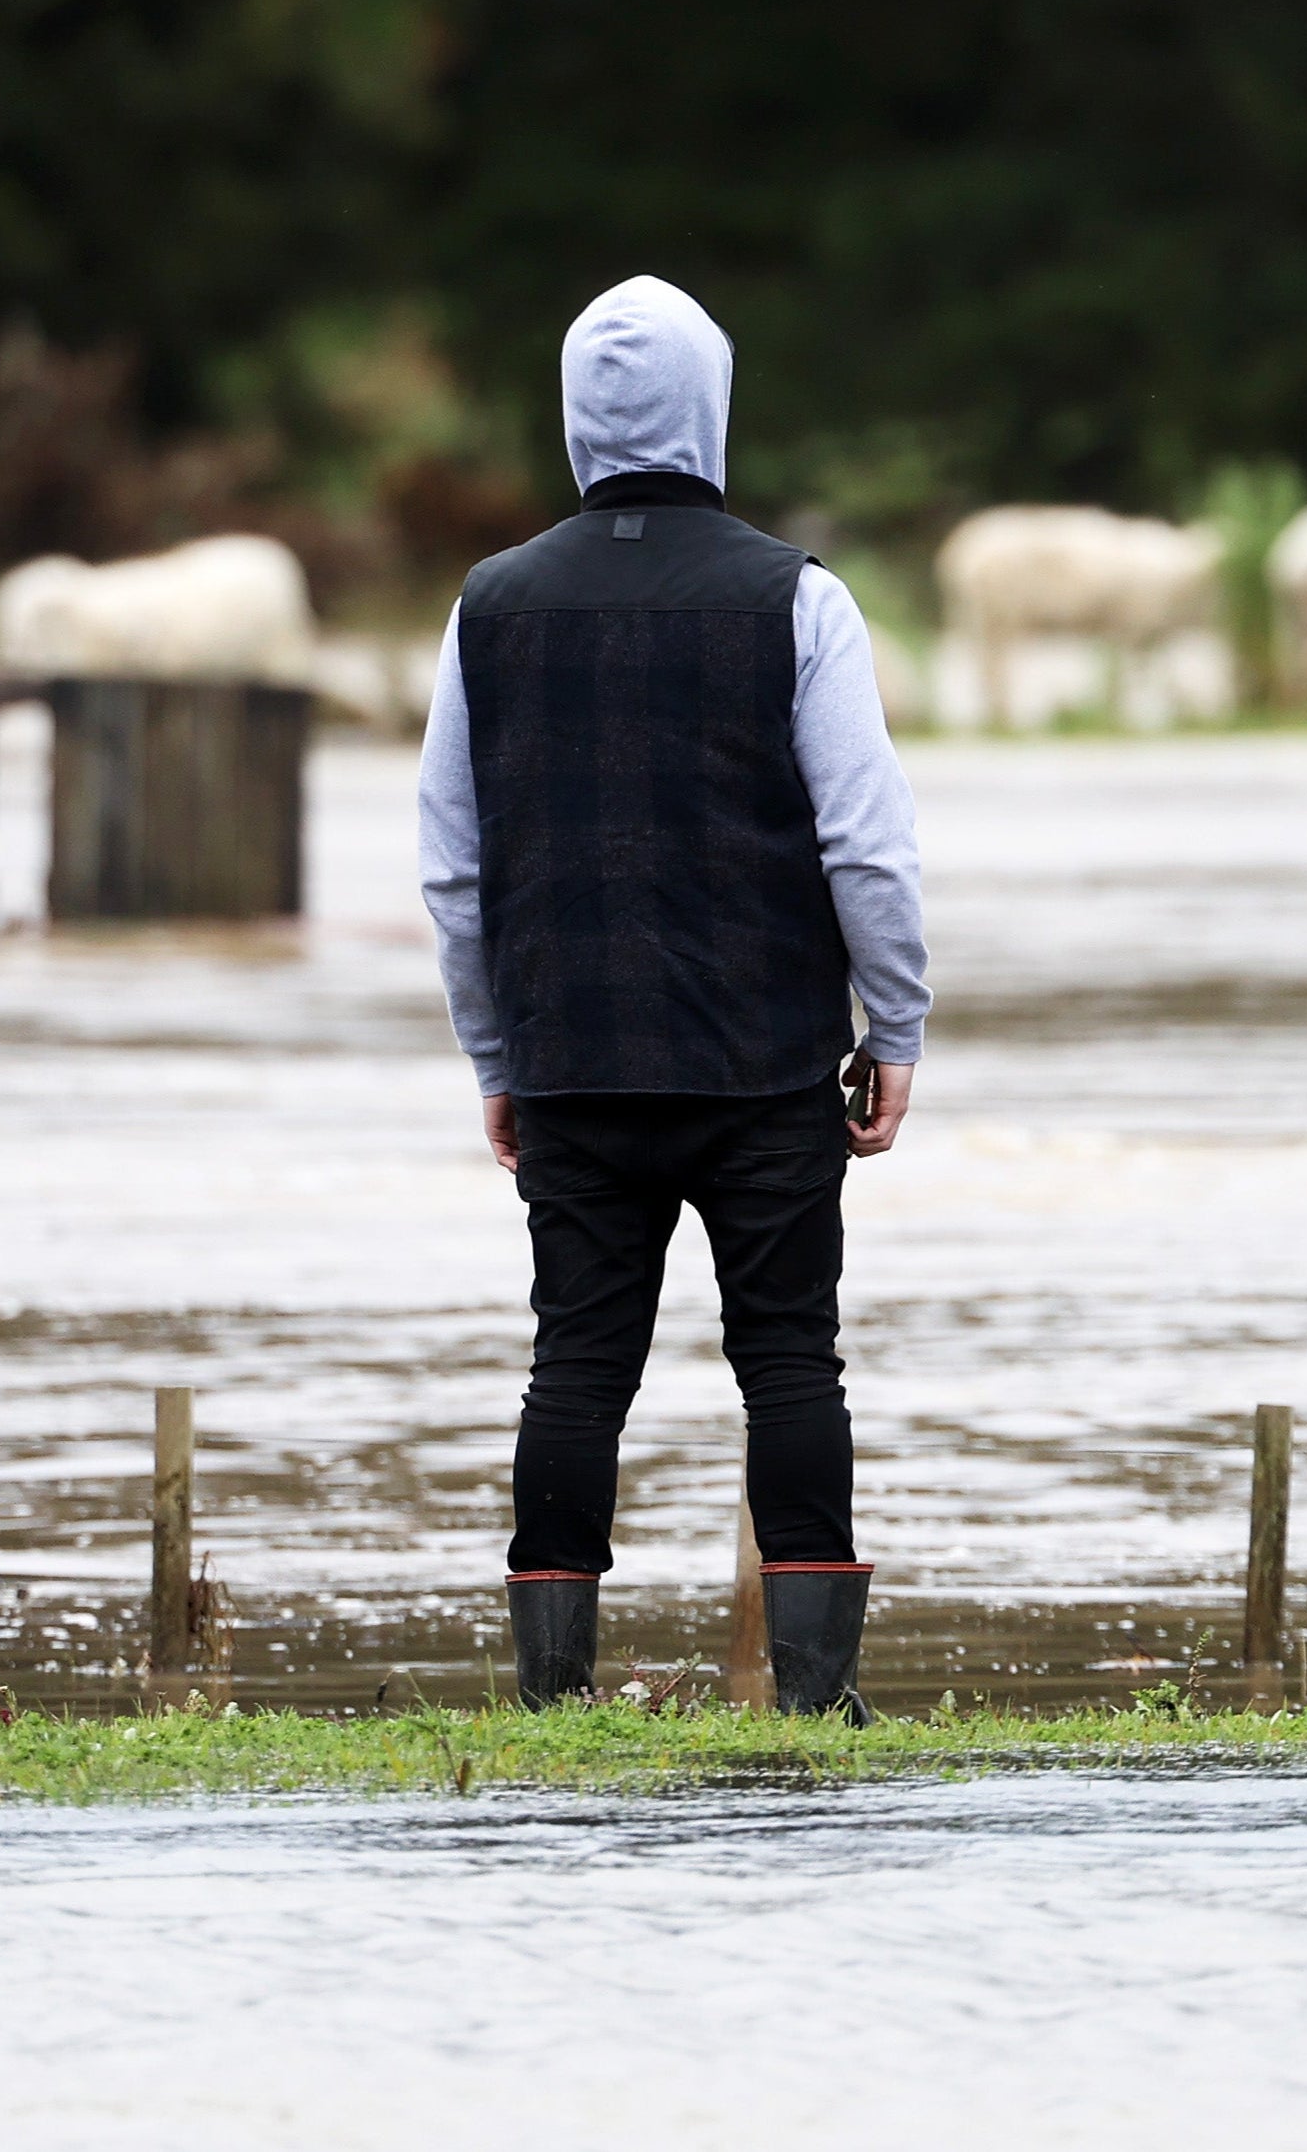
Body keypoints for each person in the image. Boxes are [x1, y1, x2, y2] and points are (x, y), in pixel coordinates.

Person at [416, 274, 932, 1716]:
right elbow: (867, 845)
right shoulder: (799, 599)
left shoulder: (488, 608)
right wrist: (892, 1028)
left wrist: (494, 1055)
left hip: (572, 1061)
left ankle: (551, 1699)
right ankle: (819, 1701)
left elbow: (453, 870)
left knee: (576, 1363)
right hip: (767, 1063)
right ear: (713, 409)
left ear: (576, 419)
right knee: (789, 1360)